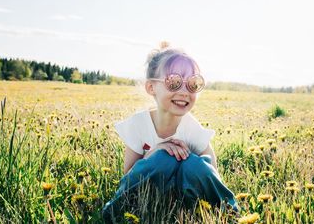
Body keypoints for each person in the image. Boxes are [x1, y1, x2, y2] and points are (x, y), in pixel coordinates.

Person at [102, 43, 238, 223]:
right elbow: (128, 177)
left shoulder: (192, 129)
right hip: (148, 197)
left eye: (192, 84)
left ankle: (229, 214)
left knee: (193, 164)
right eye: (173, 82)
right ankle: (116, 213)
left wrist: (189, 161)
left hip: (186, 197)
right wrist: (154, 153)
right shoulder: (139, 125)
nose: (184, 92)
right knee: (162, 159)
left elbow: (212, 177)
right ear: (151, 87)